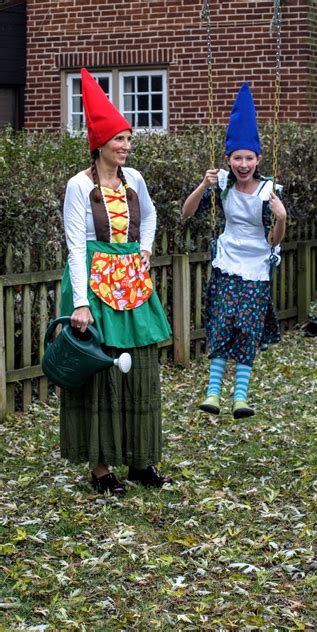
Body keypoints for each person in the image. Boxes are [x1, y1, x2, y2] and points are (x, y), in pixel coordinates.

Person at [60, 68, 172, 495]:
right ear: (99, 145)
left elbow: (153, 213)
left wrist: (144, 250)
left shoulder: (135, 180)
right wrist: (80, 303)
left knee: (139, 368)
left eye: (128, 139)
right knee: (103, 370)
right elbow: (75, 245)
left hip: (132, 284)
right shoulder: (78, 186)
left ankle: (141, 462)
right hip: (93, 285)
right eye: (119, 140)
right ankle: (102, 468)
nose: (126, 146)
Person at [182, 82, 287, 419]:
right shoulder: (223, 185)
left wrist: (281, 217)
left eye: (249, 158)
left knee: (248, 325)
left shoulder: (269, 190)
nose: (243, 164)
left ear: (258, 159)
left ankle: (240, 396)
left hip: (257, 264)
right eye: (237, 158)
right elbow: (186, 212)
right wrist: (203, 184)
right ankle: (213, 392)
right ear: (228, 159)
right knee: (222, 321)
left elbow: (273, 239)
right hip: (228, 262)